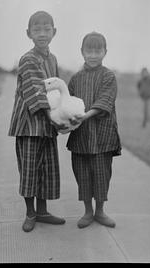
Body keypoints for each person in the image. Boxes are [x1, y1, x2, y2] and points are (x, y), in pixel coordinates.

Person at [8, 11, 66, 232]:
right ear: (29, 33)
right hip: (29, 125)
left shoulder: (53, 59)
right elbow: (36, 93)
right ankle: (30, 213)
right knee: (30, 169)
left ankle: (42, 212)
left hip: (47, 124)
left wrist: (63, 113)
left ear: (54, 32)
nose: (42, 33)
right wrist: (59, 117)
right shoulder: (28, 59)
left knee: (47, 169)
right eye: (37, 29)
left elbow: (57, 89)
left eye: (46, 29)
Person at [66, 32, 122, 229]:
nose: (93, 55)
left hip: (102, 136)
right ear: (82, 52)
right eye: (89, 50)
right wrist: (65, 121)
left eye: (98, 51)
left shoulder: (108, 76)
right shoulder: (75, 79)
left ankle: (100, 211)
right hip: (80, 136)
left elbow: (105, 101)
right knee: (82, 174)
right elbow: (68, 102)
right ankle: (88, 211)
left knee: (101, 174)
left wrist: (86, 115)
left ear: (105, 52)